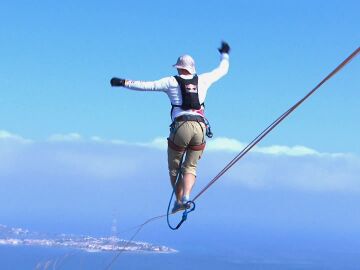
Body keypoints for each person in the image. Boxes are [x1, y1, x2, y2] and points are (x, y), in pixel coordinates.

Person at [110, 41, 230, 213]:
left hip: (181, 126)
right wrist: (224, 54)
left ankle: (179, 200)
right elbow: (222, 70)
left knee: (175, 168)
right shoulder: (203, 79)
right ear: (192, 68)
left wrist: (123, 82)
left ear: (179, 68)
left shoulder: (171, 81)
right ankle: (187, 196)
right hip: (200, 128)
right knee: (190, 167)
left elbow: (147, 85)